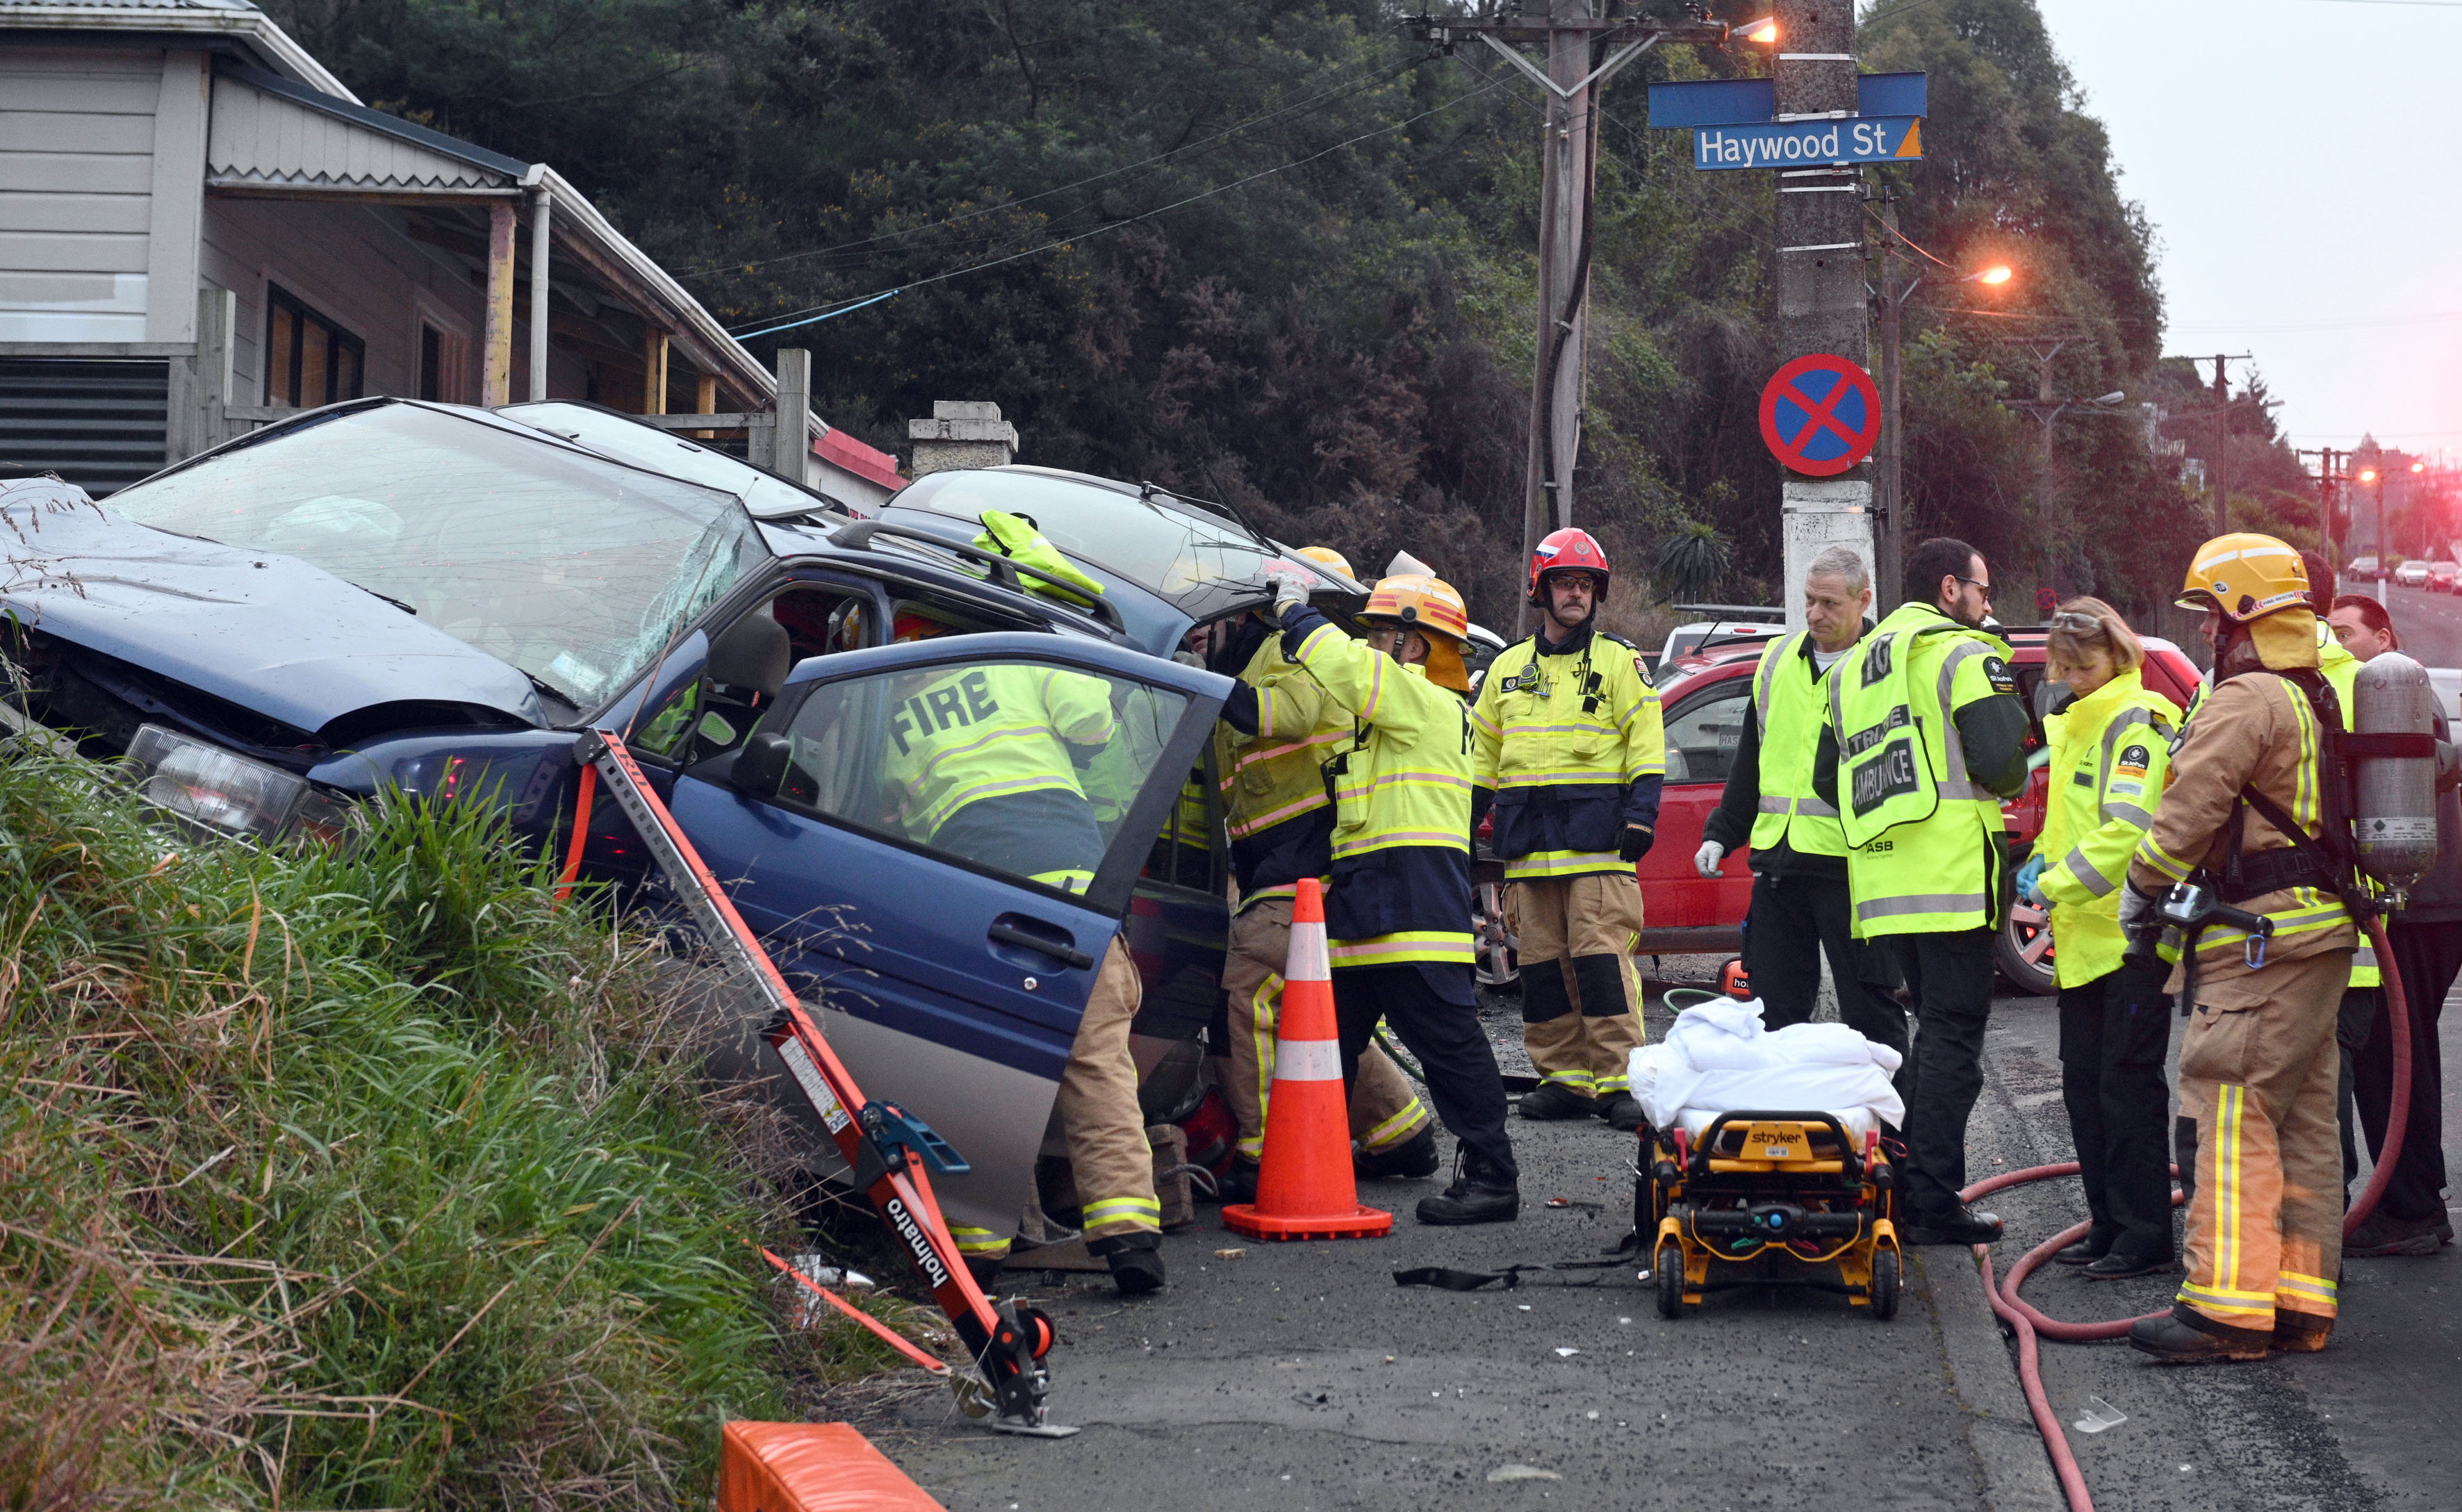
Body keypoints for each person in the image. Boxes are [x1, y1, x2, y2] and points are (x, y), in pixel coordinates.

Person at [880, 615, 1166, 1293]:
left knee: (987, 1072)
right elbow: (1092, 726)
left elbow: (892, 826)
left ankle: (977, 1244)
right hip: (1072, 892)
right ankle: (1129, 1239)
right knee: (1097, 1065)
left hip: (982, 910)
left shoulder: (888, 727)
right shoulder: (1020, 656)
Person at [2126, 534, 2356, 1363]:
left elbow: (2189, 807)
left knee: (2230, 1109)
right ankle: (2297, 1302)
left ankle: (2224, 1310)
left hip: (2260, 945)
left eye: (2212, 614)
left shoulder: (2245, 699)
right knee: (2300, 1124)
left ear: (2245, 614)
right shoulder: (2310, 696)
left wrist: (2141, 886)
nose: (2204, 633)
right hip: (2317, 937)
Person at [1272, 570, 1522, 1224]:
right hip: (1373, 905)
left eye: (1383, 632)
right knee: (1327, 1046)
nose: (1374, 643)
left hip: (1406, 907)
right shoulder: (1400, 716)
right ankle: (1300, 1168)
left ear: (1415, 646)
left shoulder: (1421, 700)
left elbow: (1351, 672)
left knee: (1448, 1045)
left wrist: (1297, 618)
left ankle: (1494, 1175)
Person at [1816, 537, 2030, 1246]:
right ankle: (1930, 1199)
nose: (1988, 602)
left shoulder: (1853, 669)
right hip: (1952, 879)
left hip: (1883, 883)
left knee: (1921, 1037)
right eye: (1982, 588)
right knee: (1951, 1041)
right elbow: (2004, 766)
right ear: (1949, 589)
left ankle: (1906, 1182)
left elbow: (1828, 782)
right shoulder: (1964, 654)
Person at [1199, 598, 1437, 1202]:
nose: (1199, 635)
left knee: (1244, 985)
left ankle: (1260, 1152)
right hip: (1279, 864)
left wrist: (1190, 679)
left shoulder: (1285, 651)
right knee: (1313, 1003)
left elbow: (1289, 715)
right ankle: (1397, 1130)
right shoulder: (1247, 664)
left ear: (1249, 614)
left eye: (1207, 623)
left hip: (1309, 860)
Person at [1469, 529, 1665, 1130]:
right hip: (1527, 853)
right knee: (1542, 973)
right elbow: (1481, 759)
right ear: (1541, 590)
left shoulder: (1617, 661)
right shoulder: (1505, 670)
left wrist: (1641, 815)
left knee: (1602, 966)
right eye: (1565, 583)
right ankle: (1564, 1079)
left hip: (1598, 849)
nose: (1576, 594)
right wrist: (1459, 829)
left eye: (1585, 585)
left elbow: (1646, 745)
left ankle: (1618, 1081)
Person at [2015, 598, 2178, 1279]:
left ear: (2119, 653)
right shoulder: (2079, 724)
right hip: (2085, 941)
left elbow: (2128, 831)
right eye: (2066, 666)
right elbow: (2079, 823)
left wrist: (2052, 883)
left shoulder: (2136, 723)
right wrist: (2043, 863)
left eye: (2086, 664)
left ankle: (2144, 1236)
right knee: (2086, 1088)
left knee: (2126, 1088)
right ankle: (2110, 1224)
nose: (2076, 676)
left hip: (2132, 939)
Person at [1696, 545, 1905, 1060]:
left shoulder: (1886, 668)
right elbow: (1752, 758)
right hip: (1779, 868)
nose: (1814, 614)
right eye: (1810, 601)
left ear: (1863, 601)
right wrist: (1721, 832)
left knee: (1869, 1013)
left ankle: (1894, 1133)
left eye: (1830, 604)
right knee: (1771, 1013)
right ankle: (1784, 1125)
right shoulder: (1776, 662)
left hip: (1852, 869)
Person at [2324, 590, 2462, 1257]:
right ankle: (2416, 1201)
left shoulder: (2399, 695)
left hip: (2418, 906)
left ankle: (2407, 1210)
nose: (2339, 644)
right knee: (2404, 1054)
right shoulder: (2389, 694)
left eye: (2348, 633)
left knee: (2391, 1055)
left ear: (2384, 637)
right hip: (2422, 903)